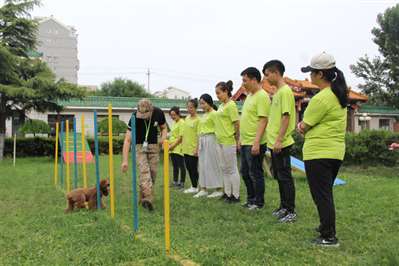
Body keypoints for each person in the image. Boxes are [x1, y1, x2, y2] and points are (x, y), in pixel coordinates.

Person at [298, 52, 348, 247]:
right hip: (335, 152)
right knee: (325, 193)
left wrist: (301, 127)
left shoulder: (321, 98)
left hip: (319, 152)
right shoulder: (338, 95)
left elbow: (304, 126)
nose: (310, 76)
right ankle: (324, 226)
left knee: (321, 195)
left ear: (320, 74)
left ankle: (328, 236)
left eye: (311, 72)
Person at [263, 60, 297, 223]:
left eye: (267, 74)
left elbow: (286, 117)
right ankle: (283, 206)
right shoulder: (277, 93)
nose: (266, 78)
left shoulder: (285, 92)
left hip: (281, 143)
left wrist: (279, 140)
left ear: (276, 73)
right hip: (273, 143)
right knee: (279, 176)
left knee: (285, 177)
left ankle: (290, 210)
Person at [121, 99, 167, 212]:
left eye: (145, 114)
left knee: (153, 174)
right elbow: (127, 140)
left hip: (153, 146)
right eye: (140, 114)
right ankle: (149, 198)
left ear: (151, 110)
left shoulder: (159, 113)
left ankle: (143, 197)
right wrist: (125, 160)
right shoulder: (134, 117)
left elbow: (164, 127)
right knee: (144, 172)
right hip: (139, 147)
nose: (142, 116)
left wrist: (163, 139)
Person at [240, 67, 271, 210]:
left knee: (255, 173)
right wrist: (240, 138)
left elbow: (263, 120)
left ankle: (259, 202)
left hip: (255, 142)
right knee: (245, 172)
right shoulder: (249, 96)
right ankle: (251, 198)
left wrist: (256, 142)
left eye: (245, 80)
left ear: (254, 80)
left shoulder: (262, 96)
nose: (243, 83)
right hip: (245, 141)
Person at [214, 81, 241, 203]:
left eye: (219, 93)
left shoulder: (231, 105)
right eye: (216, 93)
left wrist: (237, 139)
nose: (217, 96)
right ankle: (227, 193)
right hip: (219, 140)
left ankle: (235, 195)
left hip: (228, 140)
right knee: (223, 168)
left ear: (226, 92)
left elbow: (236, 123)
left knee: (232, 169)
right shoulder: (220, 106)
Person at [194, 94, 224, 198]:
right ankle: (203, 188)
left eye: (203, 103)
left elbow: (219, 129)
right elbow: (199, 131)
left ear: (209, 102)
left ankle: (219, 188)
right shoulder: (204, 115)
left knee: (213, 164)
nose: (201, 106)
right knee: (202, 165)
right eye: (200, 104)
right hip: (203, 140)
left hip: (212, 139)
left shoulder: (215, 114)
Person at [181, 99, 200, 194]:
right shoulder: (187, 118)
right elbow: (185, 133)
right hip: (186, 148)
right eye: (188, 107)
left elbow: (199, 135)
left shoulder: (198, 120)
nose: (189, 109)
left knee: (193, 168)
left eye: (191, 107)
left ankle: (196, 186)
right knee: (188, 167)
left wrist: (197, 148)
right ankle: (194, 185)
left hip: (193, 148)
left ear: (195, 108)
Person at [168, 106, 186, 189]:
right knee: (175, 165)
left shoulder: (182, 122)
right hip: (172, 147)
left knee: (181, 165)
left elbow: (181, 137)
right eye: (171, 115)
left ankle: (181, 183)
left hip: (178, 147)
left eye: (174, 115)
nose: (172, 117)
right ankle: (175, 181)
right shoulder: (175, 122)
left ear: (178, 114)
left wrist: (172, 145)